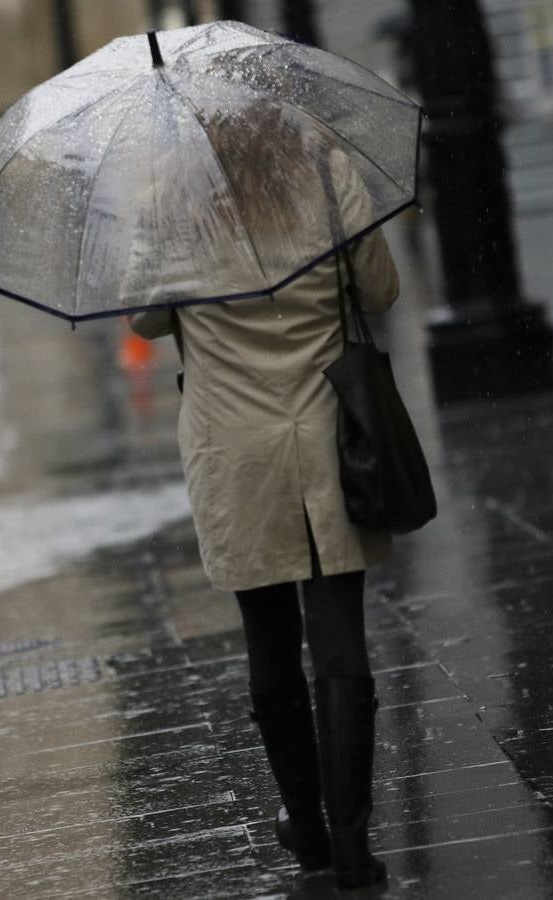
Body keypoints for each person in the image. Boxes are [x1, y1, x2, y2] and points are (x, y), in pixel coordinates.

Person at [128, 140, 400, 889]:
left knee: (269, 639)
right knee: (339, 631)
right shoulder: (320, 165)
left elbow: (146, 321)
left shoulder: (168, 189)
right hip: (327, 431)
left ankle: (305, 827)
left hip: (232, 443)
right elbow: (379, 288)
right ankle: (351, 846)